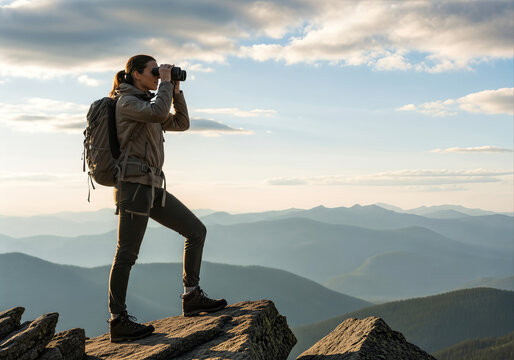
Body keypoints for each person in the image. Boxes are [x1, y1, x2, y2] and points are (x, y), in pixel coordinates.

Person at [106, 54, 227, 343]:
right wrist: (166, 86)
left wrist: (176, 92)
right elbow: (159, 114)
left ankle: (191, 296)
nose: (158, 77)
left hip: (151, 187)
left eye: (160, 73)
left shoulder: (149, 104)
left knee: (196, 231)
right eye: (153, 72)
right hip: (133, 187)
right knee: (127, 254)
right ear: (135, 74)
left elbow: (181, 122)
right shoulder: (127, 103)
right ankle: (118, 320)